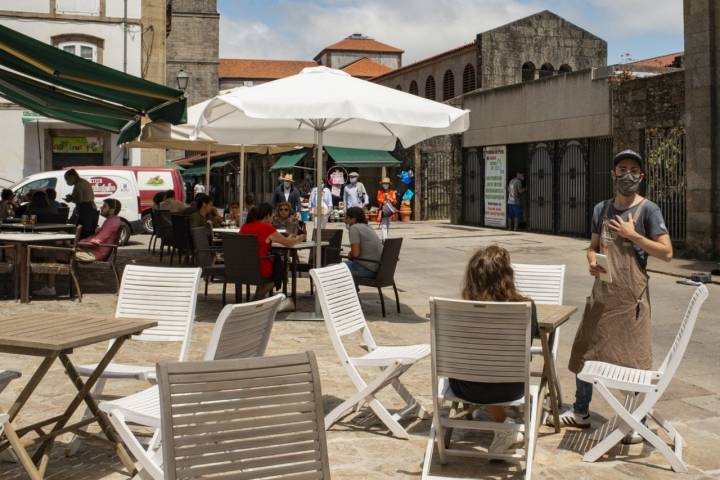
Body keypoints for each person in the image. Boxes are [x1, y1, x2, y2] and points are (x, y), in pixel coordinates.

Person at [559, 150, 672, 444]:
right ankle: (581, 410)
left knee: (634, 359)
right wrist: (592, 260)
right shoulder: (601, 210)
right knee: (586, 349)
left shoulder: (649, 210)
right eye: (622, 169)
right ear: (613, 174)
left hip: (632, 299)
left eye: (634, 170)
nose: (628, 175)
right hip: (603, 294)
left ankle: (638, 421)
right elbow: (593, 245)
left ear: (641, 177)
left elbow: (667, 253)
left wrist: (632, 235)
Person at [449, 245, 539, 454]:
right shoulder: (526, 308)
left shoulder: (457, 311)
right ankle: (506, 429)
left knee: (479, 370)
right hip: (510, 387)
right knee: (493, 373)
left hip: (464, 386)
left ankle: (505, 429)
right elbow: (529, 343)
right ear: (507, 275)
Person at [240, 202, 305, 300]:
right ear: (267, 216)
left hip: (243, 267)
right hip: (260, 267)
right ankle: (257, 298)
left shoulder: (244, 227)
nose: (273, 218)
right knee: (281, 269)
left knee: (274, 261)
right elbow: (289, 243)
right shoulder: (267, 228)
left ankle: (258, 300)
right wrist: (300, 238)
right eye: (272, 215)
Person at [75, 199, 123, 263]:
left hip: (95, 254)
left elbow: (97, 240)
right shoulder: (113, 220)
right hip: (95, 251)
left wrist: (79, 242)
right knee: (67, 250)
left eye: (104, 206)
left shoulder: (111, 222)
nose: (101, 207)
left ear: (112, 210)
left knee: (65, 253)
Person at [343, 207, 383, 283]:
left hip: (367, 270)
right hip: (379, 269)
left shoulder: (354, 228)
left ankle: (347, 293)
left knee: (332, 269)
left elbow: (355, 254)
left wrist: (350, 254)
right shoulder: (368, 227)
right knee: (344, 265)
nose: (344, 221)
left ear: (354, 219)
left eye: (346, 218)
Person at [64, 169, 96, 237]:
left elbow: (79, 200)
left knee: (83, 231)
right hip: (89, 207)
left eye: (67, 179)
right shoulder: (83, 182)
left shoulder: (79, 185)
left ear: (72, 177)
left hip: (85, 209)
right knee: (86, 230)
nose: (66, 181)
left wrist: (70, 199)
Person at [376, 177, 397, 241]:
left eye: (386, 183)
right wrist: (383, 200)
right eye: (384, 183)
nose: (385, 185)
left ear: (389, 184)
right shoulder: (380, 191)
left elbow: (395, 201)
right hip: (383, 210)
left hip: (390, 210)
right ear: (382, 184)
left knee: (388, 224)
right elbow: (378, 200)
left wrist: (389, 198)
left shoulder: (392, 192)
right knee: (384, 224)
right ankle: (384, 239)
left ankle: (385, 237)